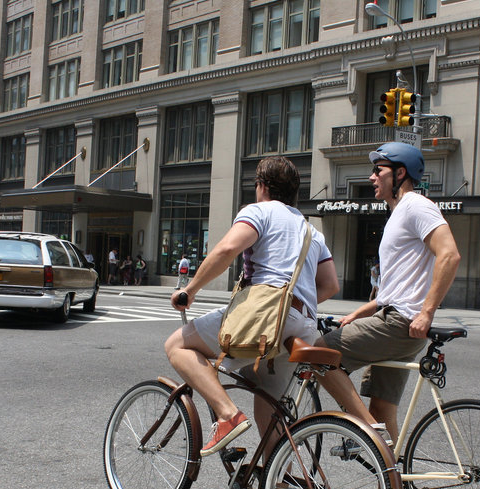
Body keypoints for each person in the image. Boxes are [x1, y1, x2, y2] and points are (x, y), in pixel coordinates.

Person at [166, 156, 338, 457]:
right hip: (303, 325)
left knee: (177, 345)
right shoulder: (312, 232)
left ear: (262, 186)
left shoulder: (259, 211)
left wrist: (189, 290)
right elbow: (330, 285)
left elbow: (228, 249)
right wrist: (292, 306)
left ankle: (226, 414)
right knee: (268, 412)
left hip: (265, 318)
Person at [316, 142, 461, 446]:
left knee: (318, 356)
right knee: (382, 407)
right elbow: (394, 292)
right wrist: (357, 314)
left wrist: (427, 312)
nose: (372, 177)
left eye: (378, 170)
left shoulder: (416, 206)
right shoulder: (398, 213)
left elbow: (449, 255)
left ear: (400, 173)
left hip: (401, 323)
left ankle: (369, 433)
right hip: (398, 321)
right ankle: (395, 486)